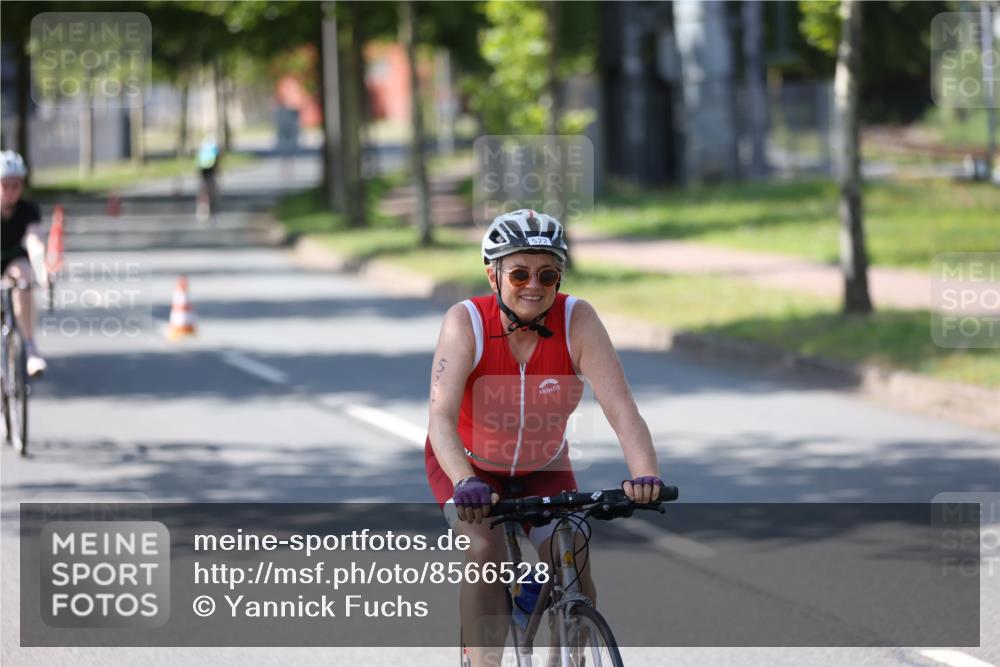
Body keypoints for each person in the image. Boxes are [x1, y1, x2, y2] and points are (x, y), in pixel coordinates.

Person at [425, 209, 663, 666]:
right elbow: (440, 418)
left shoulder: (579, 320)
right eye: (519, 273)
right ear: (492, 275)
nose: (534, 284)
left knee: (571, 552)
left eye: (548, 274)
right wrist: (463, 482)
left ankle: (569, 653)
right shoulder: (466, 322)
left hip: (544, 466)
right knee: (485, 548)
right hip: (467, 466)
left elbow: (621, 407)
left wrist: (645, 474)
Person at [0, 150, 48, 377]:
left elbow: (35, 241)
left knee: (22, 279)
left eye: (15, 185)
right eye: (5, 185)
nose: (10, 192)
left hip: (13, 262)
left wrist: (42, 272)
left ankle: (30, 347)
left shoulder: (28, 210)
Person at [195, 135, 220, 221]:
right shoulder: (214, 149)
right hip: (210, 171)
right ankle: (212, 208)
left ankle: (202, 209)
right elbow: (217, 162)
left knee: (203, 189)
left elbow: (198, 161)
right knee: (212, 189)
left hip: (203, 171)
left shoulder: (203, 148)